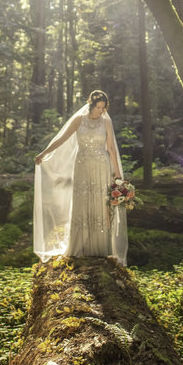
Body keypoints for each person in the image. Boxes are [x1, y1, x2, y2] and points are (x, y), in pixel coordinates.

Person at [33, 90, 128, 264]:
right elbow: (61, 139)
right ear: (91, 104)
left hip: (101, 165)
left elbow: (111, 148)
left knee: (101, 203)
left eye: (103, 107)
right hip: (82, 165)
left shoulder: (106, 121)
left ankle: (101, 248)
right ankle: (80, 246)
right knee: (82, 202)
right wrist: (43, 153)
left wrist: (118, 174)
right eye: (98, 107)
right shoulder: (79, 120)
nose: (101, 110)